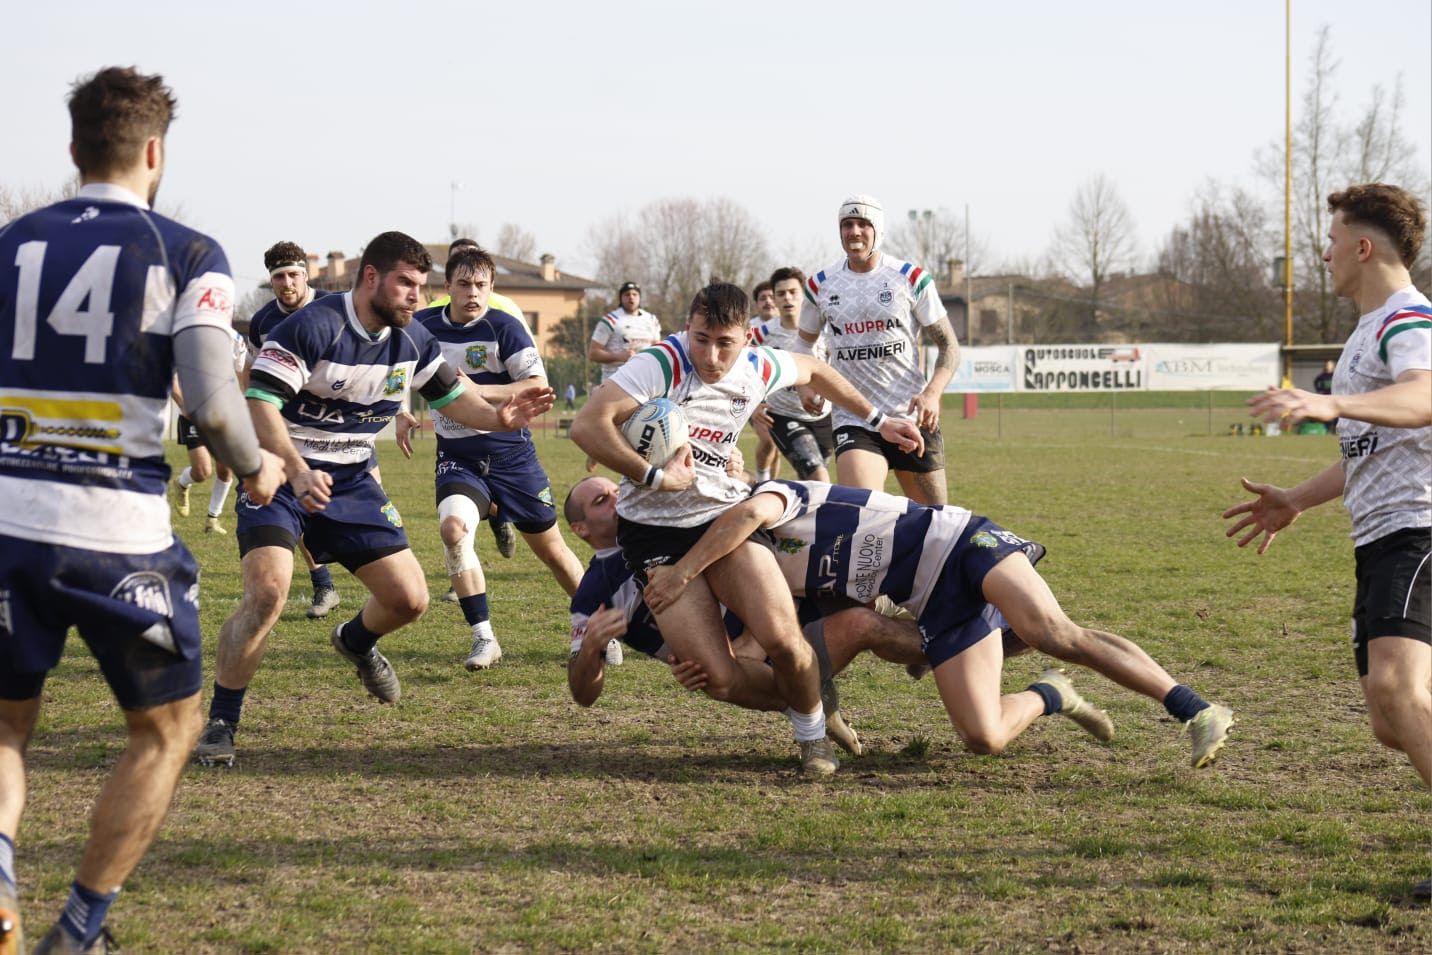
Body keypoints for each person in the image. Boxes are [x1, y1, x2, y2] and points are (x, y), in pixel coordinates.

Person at [0, 66, 284, 954]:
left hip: (6, 522)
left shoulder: (9, 243)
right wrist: (257, 462)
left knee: (7, 722)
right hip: (115, 537)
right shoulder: (188, 253)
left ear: (73, 148)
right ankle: (80, 925)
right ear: (154, 151)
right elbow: (207, 392)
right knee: (166, 730)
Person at [192, 231, 552, 768]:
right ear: (370, 278)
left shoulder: (414, 342)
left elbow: (458, 399)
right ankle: (221, 721)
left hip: (353, 482)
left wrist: (498, 416)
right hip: (282, 474)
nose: (416, 295)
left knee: (410, 600)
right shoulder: (313, 326)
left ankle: (355, 642)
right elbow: (260, 404)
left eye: (421, 286)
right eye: (406, 283)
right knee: (268, 593)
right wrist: (294, 467)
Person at [570, 282, 923, 776]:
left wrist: (879, 419)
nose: (711, 356)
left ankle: (813, 737)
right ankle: (810, 702)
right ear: (688, 328)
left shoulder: (759, 364)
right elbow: (587, 425)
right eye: (701, 338)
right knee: (715, 675)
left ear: (745, 337)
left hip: (725, 518)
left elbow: (817, 369)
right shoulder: (662, 362)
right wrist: (654, 476)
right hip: (654, 537)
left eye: (724, 343)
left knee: (783, 638)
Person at [645, 480, 1236, 768]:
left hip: (959, 541)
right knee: (984, 737)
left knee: (1053, 631)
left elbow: (749, 512)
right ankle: (1050, 694)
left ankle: (1196, 708)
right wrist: (711, 668)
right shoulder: (762, 578)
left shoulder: (771, 499)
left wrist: (683, 571)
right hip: (935, 604)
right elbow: (778, 647)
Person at [1223, 183, 1430, 900]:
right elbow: (1369, 446)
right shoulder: (1367, 333)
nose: (1326, 251)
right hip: (1380, 540)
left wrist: (1332, 401)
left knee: (1398, 690)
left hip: (1420, 529)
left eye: (1334, 237)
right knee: (1388, 718)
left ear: (1364, 247)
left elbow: (1425, 395)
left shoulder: (1407, 318)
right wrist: (1297, 500)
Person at [562, 475, 928, 755]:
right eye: (601, 501)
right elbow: (583, 695)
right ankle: (811, 703)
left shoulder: (672, 520)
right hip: (756, 672)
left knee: (867, 603)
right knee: (860, 626)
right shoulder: (595, 594)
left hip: (791, 607)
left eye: (615, 490)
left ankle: (948, 644)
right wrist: (591, 648)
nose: (617, 498)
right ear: (581, 528)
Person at [400, 245, 584, 670]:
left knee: (553, 551)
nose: (473, 293)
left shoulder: (506, 326)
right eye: (463, 284)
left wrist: (475, 390)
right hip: (458, 457)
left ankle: (595, 625)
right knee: (452, 530)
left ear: (491, 288)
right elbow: (395, 369)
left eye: (481, 285)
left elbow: (537, 384)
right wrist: (400, 409)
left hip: (513, 457)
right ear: (446, 288)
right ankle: (484, 637)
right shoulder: (422, 326)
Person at [797, 195, 961, 504]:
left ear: (878, 231)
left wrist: (933, 393)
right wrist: (804, 385)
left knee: (935, 521)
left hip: (911, 416)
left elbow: (949, 345)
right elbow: (804, 343)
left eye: (863, 224)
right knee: (863, 513)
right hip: (855, 419)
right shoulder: (820, 284)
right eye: (847, 224)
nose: (854, 231)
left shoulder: (911, 279)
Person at [247, 241, 344, 619]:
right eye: (278, 278)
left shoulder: (332, 309)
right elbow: (259, 376)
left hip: (341, 426)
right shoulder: (262, 322)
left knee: (367, 503)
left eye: (293, 275)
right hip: (289, 428)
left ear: (305, 274)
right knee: (295, 502)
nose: (287, 283)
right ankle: (323, 584)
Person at [751, 267, 834, 484]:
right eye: (781, 293)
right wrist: (755, 403)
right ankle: (762, 482)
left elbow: (840, 367)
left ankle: (795, 515)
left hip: (824, 416)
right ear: (775, 299)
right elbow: (740, 368)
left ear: (804, 294)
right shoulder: (761, 334)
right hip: (783, 415)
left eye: (793, 292)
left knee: (809, 480)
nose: (787, 298)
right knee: (819, 477)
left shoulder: (825, 330)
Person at [170, 324, 251, 533]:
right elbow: (169, 375)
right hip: (193, 413)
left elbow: (239, 376)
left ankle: (212, 519)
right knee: (202, 471)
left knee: (226, 468)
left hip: (222, 412)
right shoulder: (185, 334)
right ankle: (181, 483)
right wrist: (183, 403)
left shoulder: (235, 339)